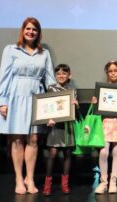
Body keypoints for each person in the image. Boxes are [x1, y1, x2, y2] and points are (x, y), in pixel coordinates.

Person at [0, 17, 56, 194]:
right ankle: (18, 178)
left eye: (34, 29)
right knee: (16, 139)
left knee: (34, 139)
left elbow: (50, 80)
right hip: (15, 96)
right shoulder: (11, 50)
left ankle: (29, 178)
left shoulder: (44, 54)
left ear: (38, 33)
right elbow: (4, 77)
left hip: (35, 98)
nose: (31, 32)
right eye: (28, 29)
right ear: (23, 30)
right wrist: (3, 102)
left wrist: (57, 105)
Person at [93, 61, 117, 194]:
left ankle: (113, 181)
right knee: (103, 151)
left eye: (115, 70)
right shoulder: (102, 90)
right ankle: (103, 182)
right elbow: (96, 108)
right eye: (110, 71)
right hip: (105, 121)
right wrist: (94, 103)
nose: (113, 73)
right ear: (107, 73)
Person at [43, 64, 78, 196]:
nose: (61, 76)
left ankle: (64, 184)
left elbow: (73, 109)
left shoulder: (72, 90)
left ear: (69, 75)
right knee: (52, 154)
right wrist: (48, 118)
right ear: (55, 76)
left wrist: (76, 104)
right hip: (56, 126)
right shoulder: (51, 88)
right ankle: (48, 184)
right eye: (58, 74)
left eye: (64, 73)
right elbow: (46, 106)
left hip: (68, 126)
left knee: (68, 154)